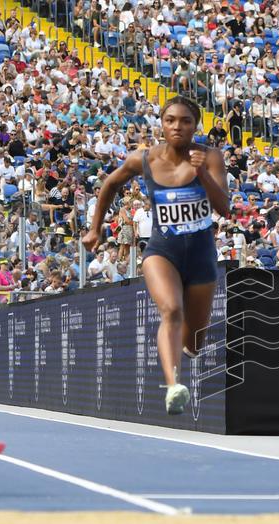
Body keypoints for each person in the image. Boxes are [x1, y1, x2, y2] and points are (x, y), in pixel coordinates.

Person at [83, 96, 229, 415]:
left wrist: (202, 173)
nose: (177, 126)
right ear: (161, 124)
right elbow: (109, 184)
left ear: (195, 125)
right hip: (162, 249)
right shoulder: (144, 159)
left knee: (194, 343)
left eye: (186, 121)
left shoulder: (211, 156)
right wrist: (95, 228)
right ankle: (173, 386)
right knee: (171, 311)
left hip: (203, 255)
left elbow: (224, 208)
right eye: (171, 120)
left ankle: (185, 356)